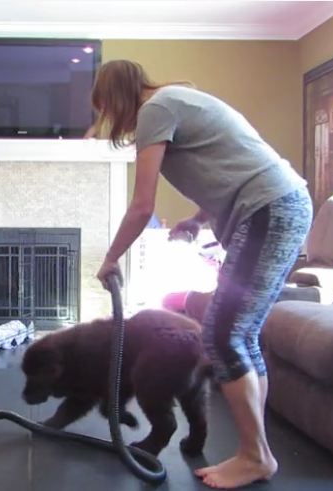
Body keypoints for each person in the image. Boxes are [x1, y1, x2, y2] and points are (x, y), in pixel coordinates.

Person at [93, 60, 312, 489]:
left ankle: (255, 456)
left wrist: (111, 257)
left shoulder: (154, 111)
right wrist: (198, 217)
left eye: (103, 106)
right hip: (282, 204)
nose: (106, 117)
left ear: (114, 95)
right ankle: (256, 449)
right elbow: (230, 165)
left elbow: (142, 205)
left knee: (223, 334)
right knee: (239, 334)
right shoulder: (179, 100)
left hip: (269, 208)